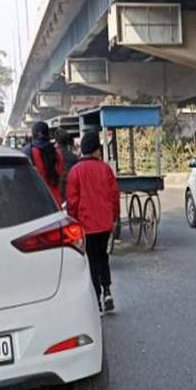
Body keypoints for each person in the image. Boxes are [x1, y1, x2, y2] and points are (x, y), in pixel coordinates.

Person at [65, 131, 120, 313]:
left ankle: (97, 301)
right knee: (103, 256)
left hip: (85, 226)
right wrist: (115, 217)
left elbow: (72, 202)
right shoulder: (105, 169)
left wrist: (72, 221)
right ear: (96, 149)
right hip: (104, 224)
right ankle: (107, 291)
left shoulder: (75, 172)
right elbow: (114, 196)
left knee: (92, 261)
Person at [22, 121, 63, 208]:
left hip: (38, 203)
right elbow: (60, 173)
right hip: (55, 202)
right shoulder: (57, 152)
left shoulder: (28, 152)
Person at [54, 127, 78, 201]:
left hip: (56, 193)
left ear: (56, 141)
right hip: (71, 193)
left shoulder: (52, 156)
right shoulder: (74, 157)